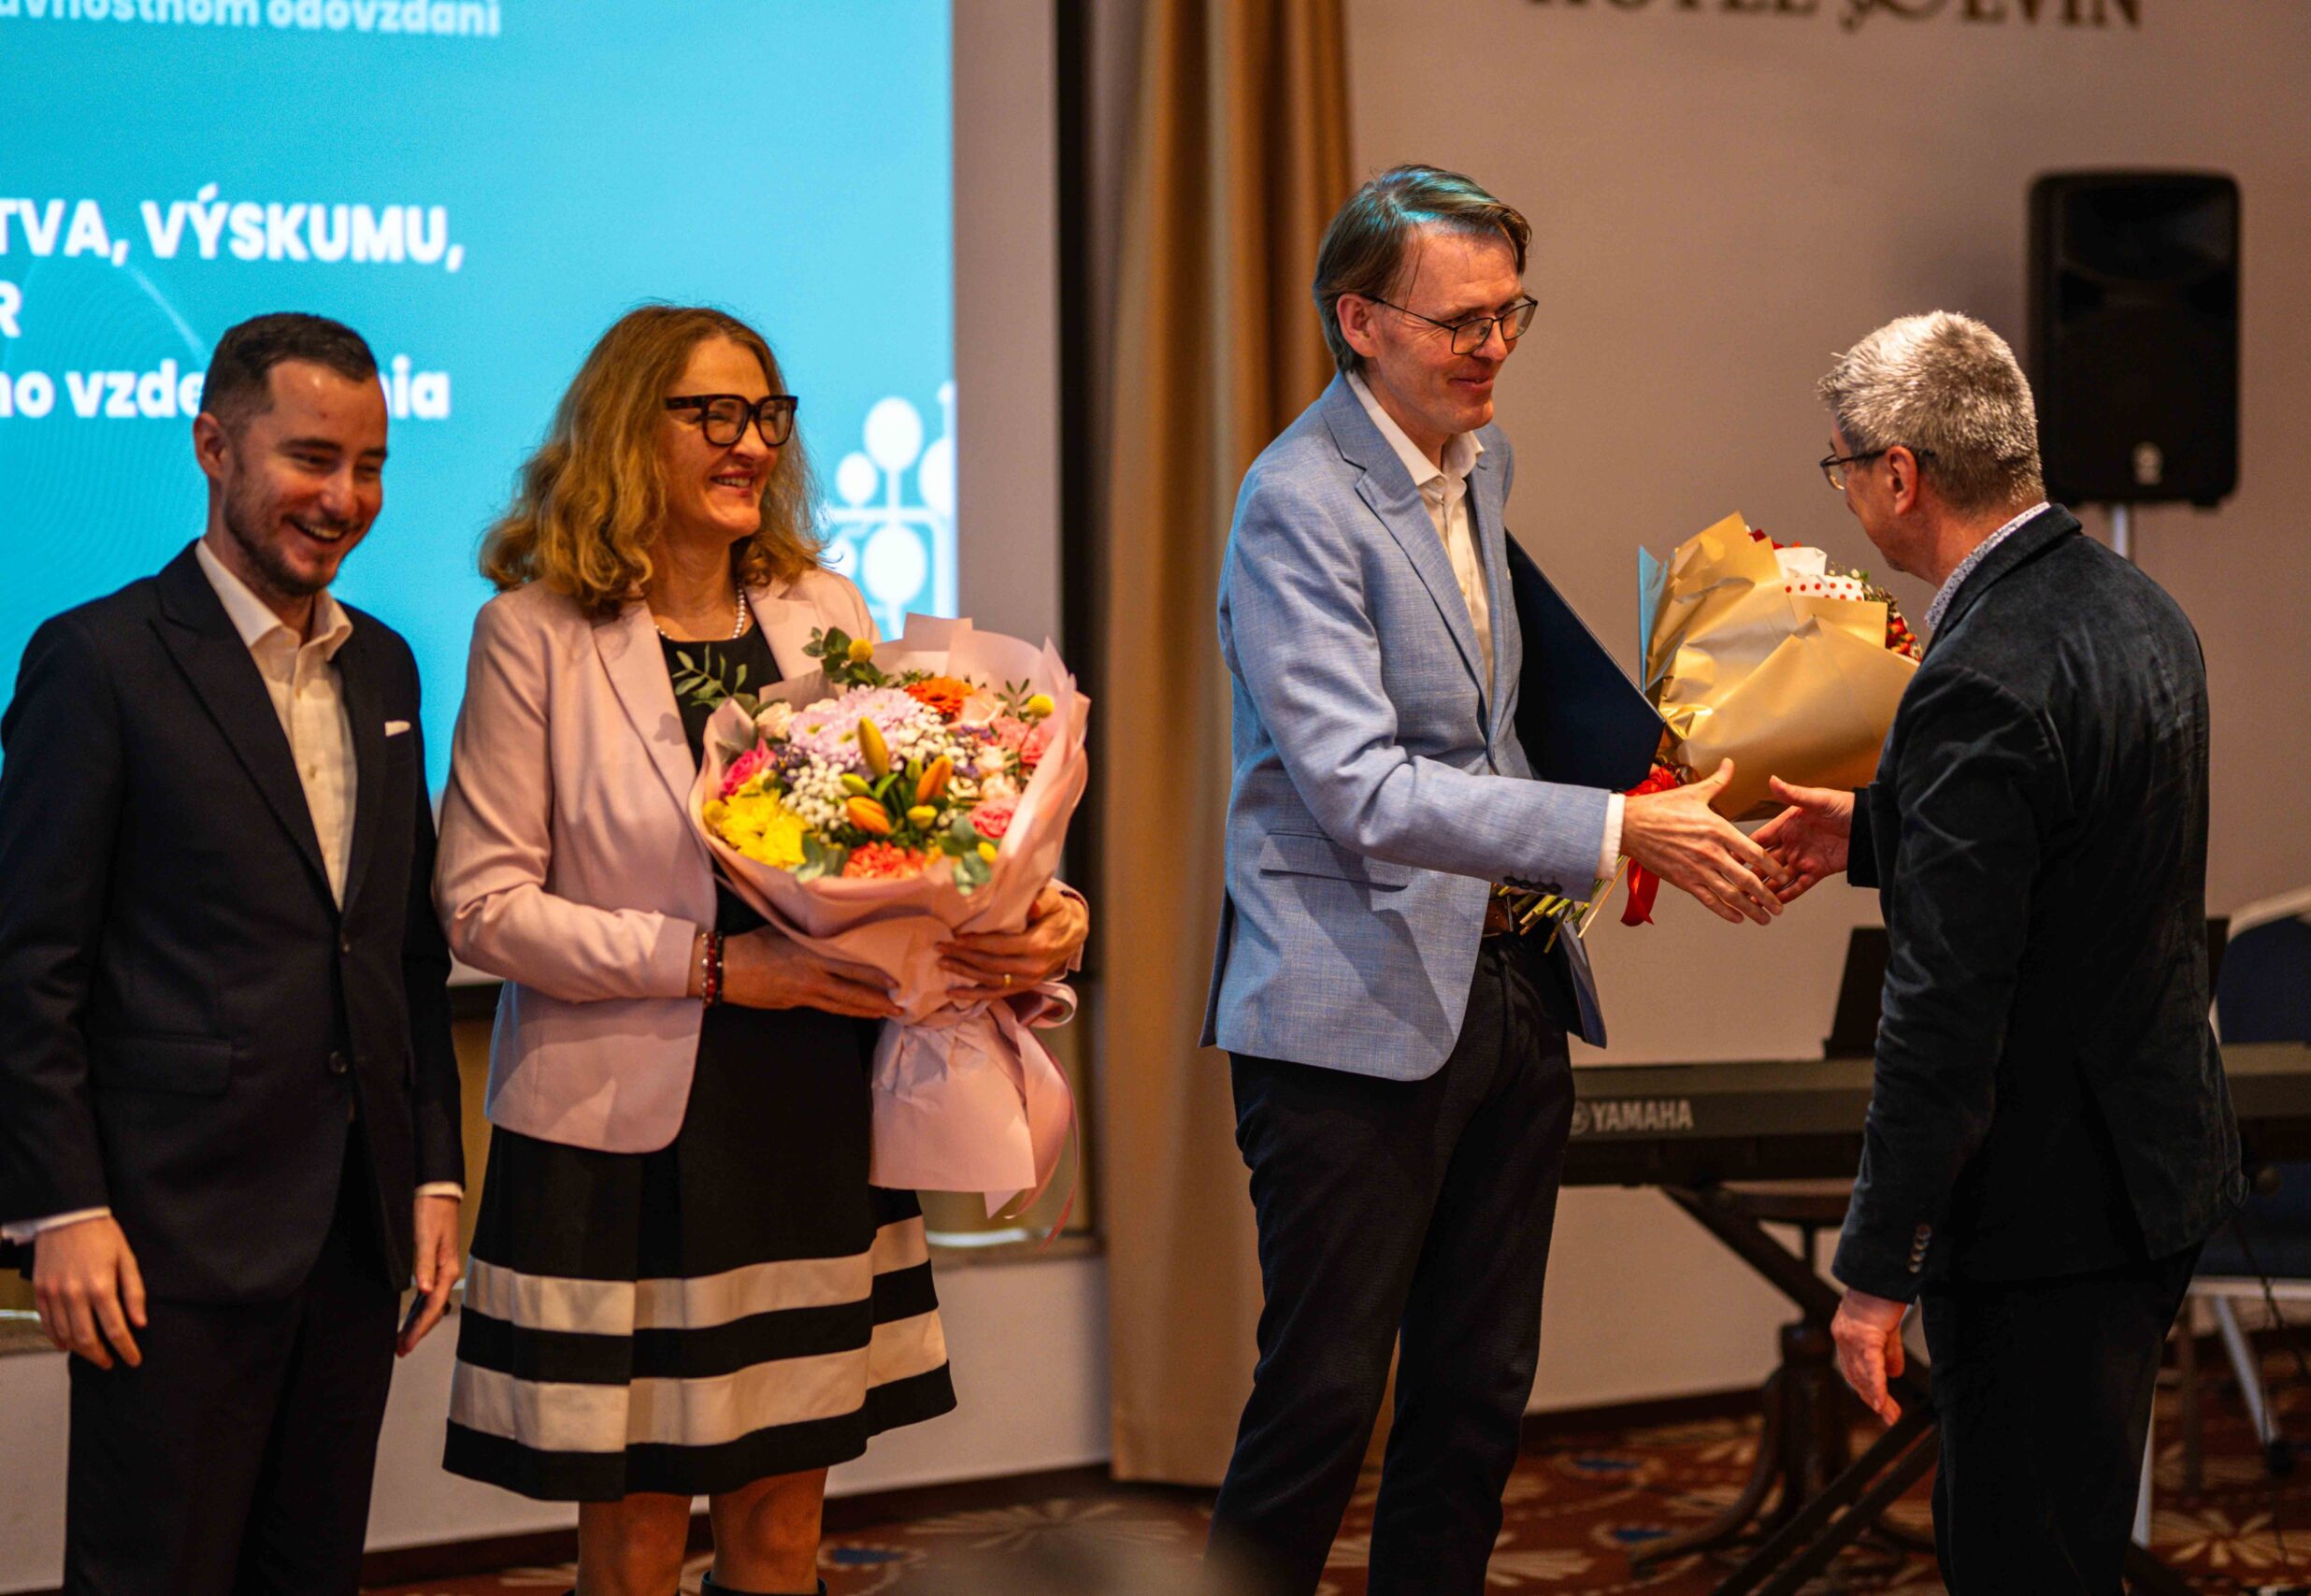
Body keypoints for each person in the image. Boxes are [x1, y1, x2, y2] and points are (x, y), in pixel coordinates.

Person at [436, 304, 1087, 1596]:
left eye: (766, 416)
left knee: (785, 1526)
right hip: (623, 1137)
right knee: (634, 1542)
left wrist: (1033, 915)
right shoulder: (534, 632)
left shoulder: (820, 609)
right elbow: (482, 906)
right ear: (629, 432)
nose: (750, 444)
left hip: (807, 1109)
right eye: (714, 415)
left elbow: (909, 828)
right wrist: (719, 967)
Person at [1200, 165, 1785, 1596]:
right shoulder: (1295, 502)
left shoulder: (1481, 462)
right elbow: (1360, 791)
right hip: (1347, 1013)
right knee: (1323, 1404)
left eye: (1511, 312)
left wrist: (1673, 773)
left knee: (1476, 1399)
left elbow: (1487, 726)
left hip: (1511, 981)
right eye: (1460, 320)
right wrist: (1612, 831)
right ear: (1359, 322)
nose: (1494, 345)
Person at [1758, 311, 2244, 1594]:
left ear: (1900, 474)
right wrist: (1878, 830)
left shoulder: (1978, 672)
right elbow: (2081, 843)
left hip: (2044, 1212)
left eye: (1843, 467)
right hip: (2152, 1173)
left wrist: (1874, 1272)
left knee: (2022, 1563)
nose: (1845, 493)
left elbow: (1943, 1016)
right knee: (2074, 1539)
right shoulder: (2137, 607)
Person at [0, 311, 466, 1595]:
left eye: (369, 466)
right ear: (214, 446)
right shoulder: (96, 661)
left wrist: (433, 1171)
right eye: (311, 458)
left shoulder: (386, 667)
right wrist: (64, 1207)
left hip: (355, 1233)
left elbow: (402, 955)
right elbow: (30, 965)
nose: (344, 499)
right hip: (167, 1241)